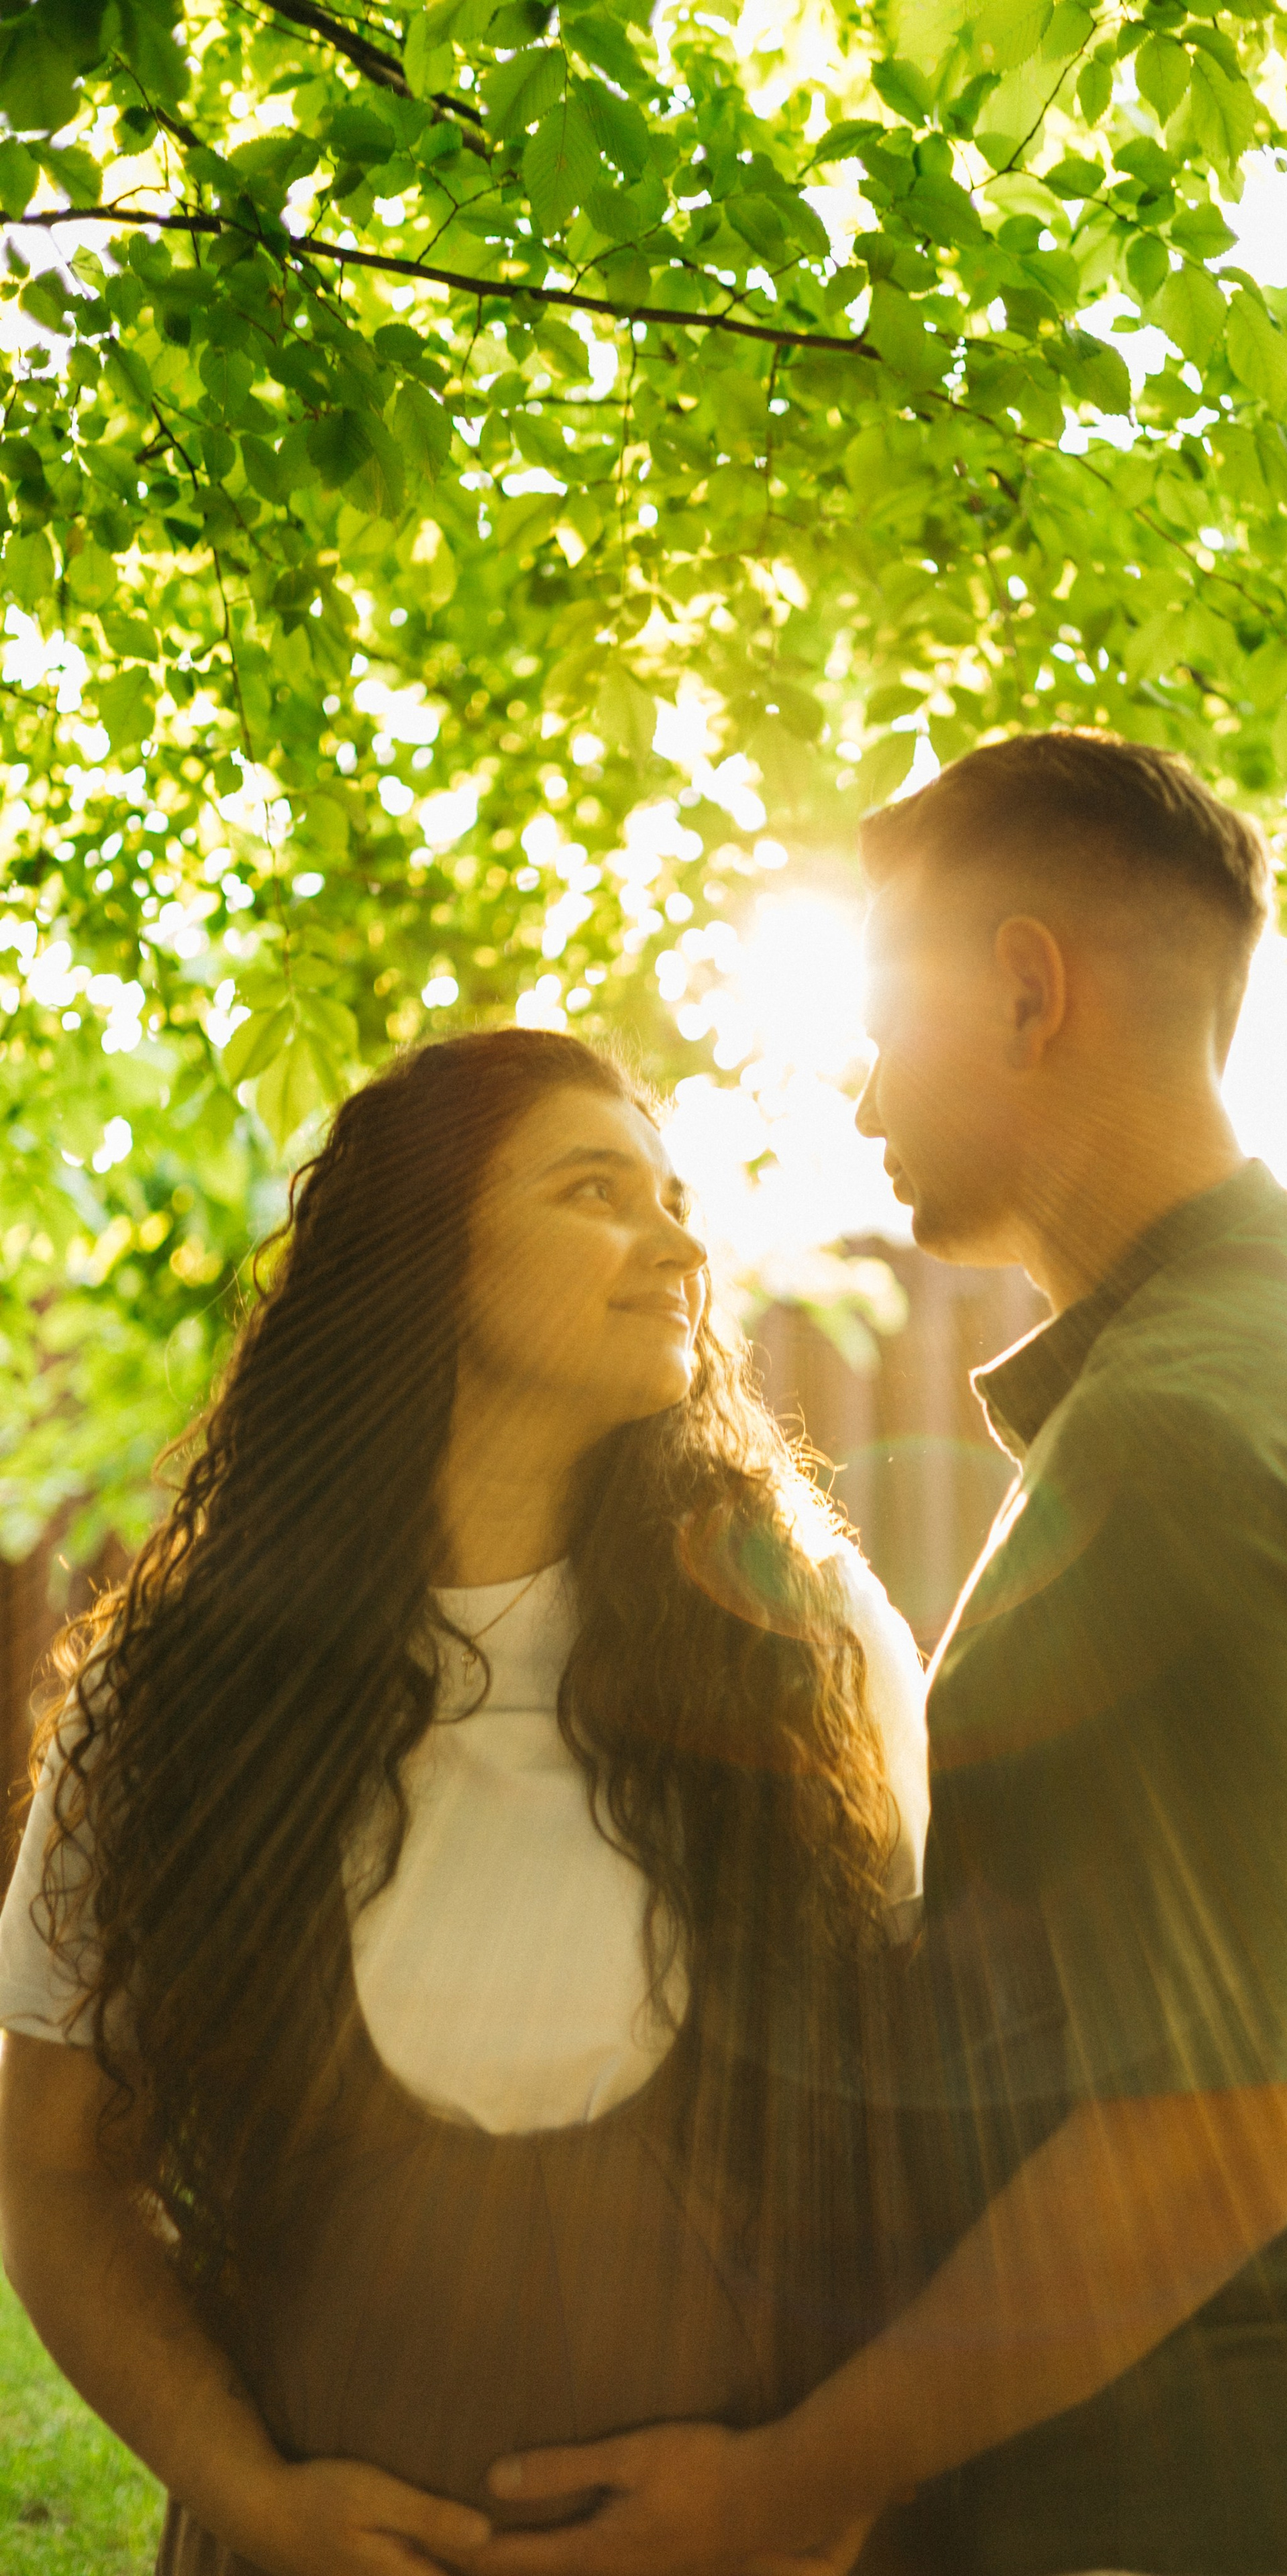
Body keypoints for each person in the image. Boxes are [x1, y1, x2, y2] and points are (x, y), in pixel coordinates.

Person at [484, 731, 1287, 2576]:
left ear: (1021, 985)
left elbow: (1211, 2138)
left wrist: (788, 2484)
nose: (851, 1081)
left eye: (880, 1012)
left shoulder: (1186, 1437)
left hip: (1196, 2507)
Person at [0, 1026, 929, 2576]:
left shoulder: (805, 1643)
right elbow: (50, 2165)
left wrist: (807, 2509)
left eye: (677, 1197)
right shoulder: (174, 1693)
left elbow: (914, 2145)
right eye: (596, 1191)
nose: (680, 1242)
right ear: (423, 1261)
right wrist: (255, 2496)